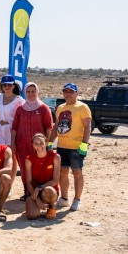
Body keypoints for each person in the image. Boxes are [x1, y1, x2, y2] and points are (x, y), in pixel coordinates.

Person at [48, 83, 91, 211]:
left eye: (71, 91)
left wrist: (84, 143)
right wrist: (50, 142)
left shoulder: (82, 107)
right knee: (63, 173)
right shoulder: (60, 107)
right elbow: (56, 126)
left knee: (77, 172)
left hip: (76, 147)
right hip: (62, 147)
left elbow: (88, 126)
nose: (68, 94)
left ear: (76, 93)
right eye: (65, 91)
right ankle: (64, 198)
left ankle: (77, 200)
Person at [11, 82, 53, 200]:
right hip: (22, 145)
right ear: (25, 93)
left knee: (37, 167)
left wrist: (47, 144)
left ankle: (39, 191)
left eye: (33, 91)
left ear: (37, 92)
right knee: (24, 168)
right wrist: (12, 143)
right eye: (28, 91)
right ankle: (27, 191)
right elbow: (14, 127)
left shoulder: (43, 108)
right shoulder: (20, 109)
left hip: (38, 145)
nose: (31, 94)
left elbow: (48, 127)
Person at [25, 133, 60, 220]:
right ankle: (37, 204)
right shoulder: (29, 159)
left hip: (50, 189)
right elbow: (28, 182)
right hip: (34, 192)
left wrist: (40, 187)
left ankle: (51, 207)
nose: (39, 146)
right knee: (32, 216)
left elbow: (55, 180)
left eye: (41, 143)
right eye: (36, 143)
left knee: (49, 190)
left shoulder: (55, 157)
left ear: (46, 143)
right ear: (32, 145)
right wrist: (36, 199)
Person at [0, 75, 24, 146]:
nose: (6, 87)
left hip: (12, 133)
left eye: (9, 85)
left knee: (12, 156)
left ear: (13, 86)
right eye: (4, 85)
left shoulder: (19, 100)